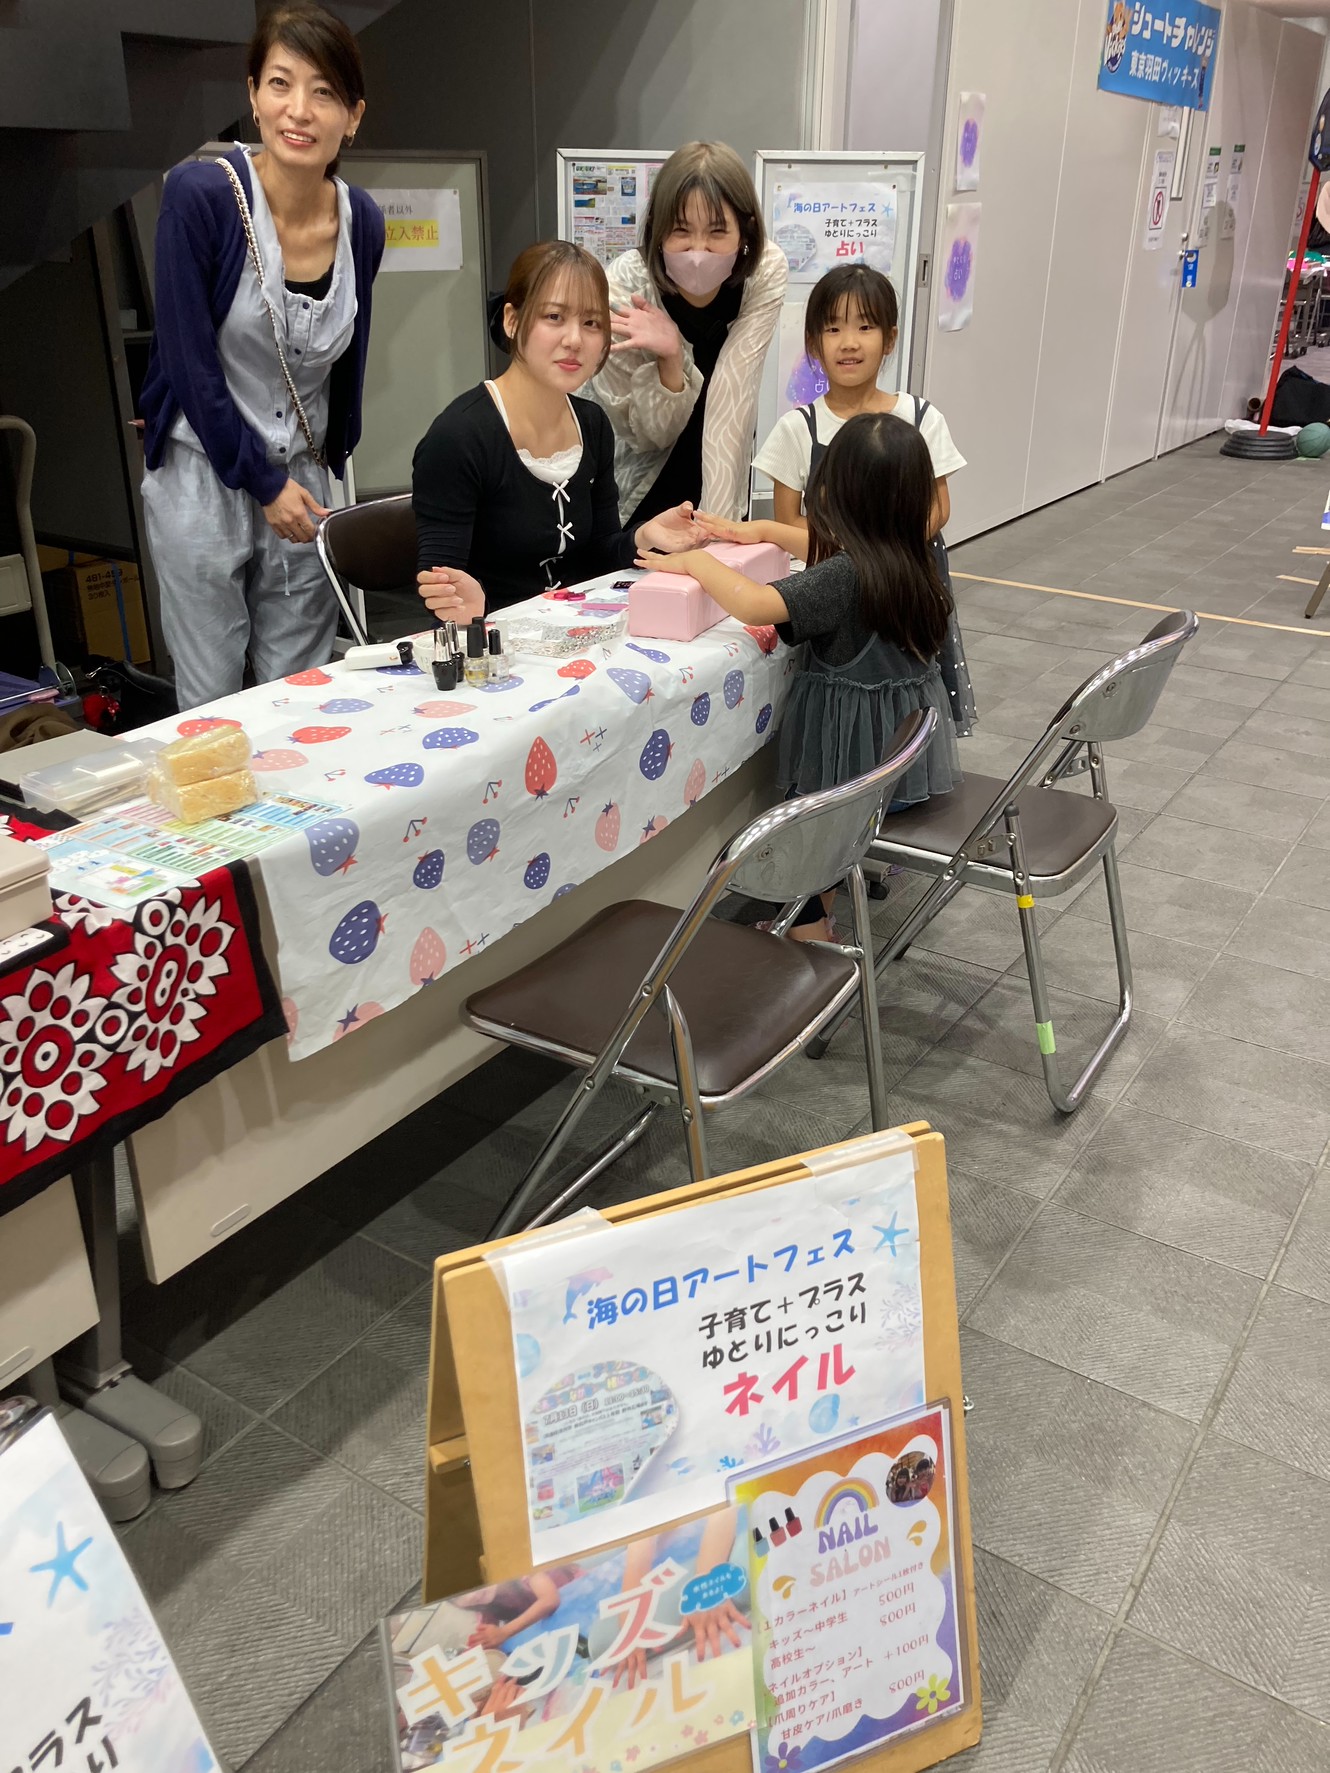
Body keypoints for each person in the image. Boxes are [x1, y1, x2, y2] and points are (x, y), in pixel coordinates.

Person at [139, 3, 383, 710]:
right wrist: (260, 480)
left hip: (302, 473)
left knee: (299, 691)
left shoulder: (362, 220)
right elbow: (187, 361)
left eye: (324, 91)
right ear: (252, 95)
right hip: (203, 468)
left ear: (353, 116)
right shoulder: (201, 197)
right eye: (280, 83)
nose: (298, 110)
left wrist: (331, 460)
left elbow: (349, 359)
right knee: (211, 694)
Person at [642, 413, 962, 943]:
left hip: (846, 766)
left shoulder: (844, 576)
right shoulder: (912, 556)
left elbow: (755, 603)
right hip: (897, 765)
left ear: (833, 494)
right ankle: (819, 909)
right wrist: (762, 531)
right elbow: (824, 543)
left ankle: (811, 939)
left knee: (806, 840)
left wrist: (698, 564)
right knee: (828, 839)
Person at [412, 241, 700, 623]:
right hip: (493, 641)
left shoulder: (592, 424)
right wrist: (470, 607)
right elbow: (440, 598)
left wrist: (643, 536)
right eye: (554, 317)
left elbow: (598, 556)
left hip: (578, 633)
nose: (574, 340)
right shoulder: (459, 436)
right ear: (512, 321)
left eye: (591, 323)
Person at [752, 263, 976, 736]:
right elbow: (789, 520)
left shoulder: (919, 416)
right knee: (846, 695)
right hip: (837, 593)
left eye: (865, 327)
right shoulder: (798, 427)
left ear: (889, 339)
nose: (849, 342)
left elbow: (939, 506)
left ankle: (910, 758)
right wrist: (855, 557)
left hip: (906, 584)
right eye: (833, 328)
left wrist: (884, 550)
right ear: (813, 342)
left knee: (909, 687)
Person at [584, 142, 788, 526]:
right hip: (637, 493)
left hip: (717, 477)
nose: (698, 251)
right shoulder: (623, 287)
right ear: (656, 229)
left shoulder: (764, 272)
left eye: (717, 231)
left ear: (745, 230)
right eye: (680, 230)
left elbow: (733, 394)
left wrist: (719, 531)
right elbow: (645, 437)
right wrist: (671, 360)